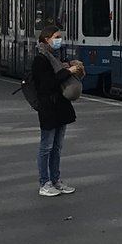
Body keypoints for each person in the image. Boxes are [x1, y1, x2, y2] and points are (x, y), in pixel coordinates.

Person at [32, 24, 77, 197]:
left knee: (57, 147)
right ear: (46, 39)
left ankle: (56, 180)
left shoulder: (56, 57)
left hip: (61, 107)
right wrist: (67, 71)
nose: (59, 40)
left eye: (60, 37)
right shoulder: (40, 59)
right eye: (56, 37)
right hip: (49, 108)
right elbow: (47, 85)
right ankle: (44, 182)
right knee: (46, 146)